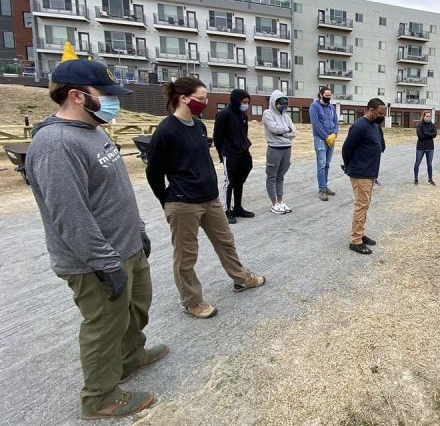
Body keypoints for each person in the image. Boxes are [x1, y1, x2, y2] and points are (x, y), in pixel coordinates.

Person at [26, 58, 166, 419]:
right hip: (96, 261)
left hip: (127, 247)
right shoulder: (56, 144)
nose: (113, 102)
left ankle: (131, 357)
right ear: (76, 95)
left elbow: (116, 190)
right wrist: (104, 262)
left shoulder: (94, 129)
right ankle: (100, 397)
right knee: (105, 325)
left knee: (135, 309)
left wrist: (138, 230)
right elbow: (69, 215)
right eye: (104, 94)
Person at [146, 77, 265, 319]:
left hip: (209, 199)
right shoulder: (166, 130)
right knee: (186, 256)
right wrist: (167, 201)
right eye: (201, 99)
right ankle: (192, 301)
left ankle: (241, 279)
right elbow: (153, 172)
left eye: (205, 98)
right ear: (183, 98)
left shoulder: (199, 126)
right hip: (183, 203)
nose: (205, 102)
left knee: (226, 242)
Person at [341, 98, 386, 255]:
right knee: (361, 205)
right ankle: (355, 241)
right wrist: (349, 166)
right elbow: (346, 149)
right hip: (360, 173)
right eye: (380, 113)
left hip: (370, 172)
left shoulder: (375, 126)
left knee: (365, 205)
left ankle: (360, 233)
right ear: (371, 110)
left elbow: (382, 146)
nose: (382, 117)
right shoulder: (359, 126)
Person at [213, 88, 255, 224]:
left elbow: (244, 134)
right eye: (243, 102)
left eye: (247, 102)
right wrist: (221, 154)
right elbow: (217, 137)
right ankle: (226, 210)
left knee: (240, 180)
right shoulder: (223, 114)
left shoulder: (243, 115)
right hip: (229, 153)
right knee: (229, 181)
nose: (245, 105)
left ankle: (237, 207)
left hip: (242, 151)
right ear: (236, 100)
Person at [262, 89, 296, 214]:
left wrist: (283, 133)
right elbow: (274, 129)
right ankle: (274, 203)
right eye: (279, 102)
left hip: (287, 148)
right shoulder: (268, 113)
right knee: (272, 176)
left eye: (285, 102)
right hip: (274, 148)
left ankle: (280, 201)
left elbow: (294, 132)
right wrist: (286, 131)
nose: (282, 105)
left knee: (280, 176)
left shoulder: (286, 116)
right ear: (273, 102)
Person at [310, 87, 339, 201]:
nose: (328, 98)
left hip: (331, 139)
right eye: (326, 96)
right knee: (321, 165)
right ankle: (322, 189)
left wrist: (334, 134)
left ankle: (325, 186)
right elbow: (316, 124)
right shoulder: (314, 107)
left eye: (330, 96)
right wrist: (326, 137)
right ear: (321, 95)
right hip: (321, 139)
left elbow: (336, 122)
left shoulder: (332, 108)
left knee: (327, 164)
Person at [414, 110, 437, 185]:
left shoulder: (433, 125)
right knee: (417, 163)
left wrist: (426, 133)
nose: (428, 117)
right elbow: (420, 135)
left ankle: (430, 179)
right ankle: (416, 178)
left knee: (429, 164)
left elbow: (434, 134)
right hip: (421, 147)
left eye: (429, 116)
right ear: (423, 116)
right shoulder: (420, 125)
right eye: (427, 116)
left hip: (430, 147)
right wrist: (429, 134)